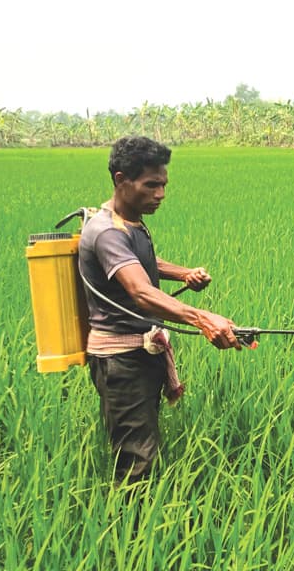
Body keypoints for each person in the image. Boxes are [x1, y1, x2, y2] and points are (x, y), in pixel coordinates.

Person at [78, 135, 242, 483]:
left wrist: (182, 273)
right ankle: (130, 528)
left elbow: (137, 261)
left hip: (141, 352)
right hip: (121, 361)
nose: (161, 194)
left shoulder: (129, 223)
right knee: (137, 458)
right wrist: (202, 318)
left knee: (143, 441)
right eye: (151, 185)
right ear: (121, 180)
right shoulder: (107, 231)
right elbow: (139, 290)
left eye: (164, 184)